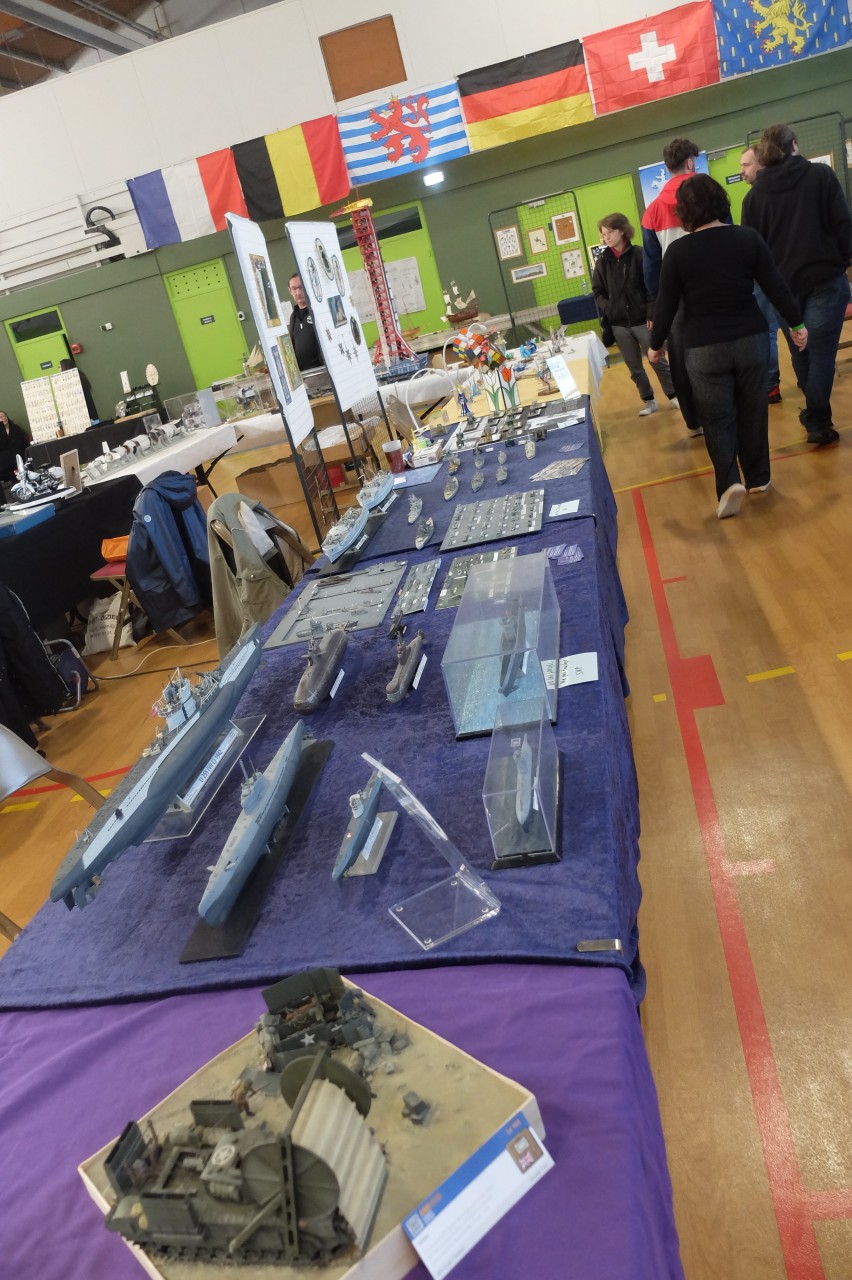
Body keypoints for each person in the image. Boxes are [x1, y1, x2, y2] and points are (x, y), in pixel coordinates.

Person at [648, 175, 807, 519]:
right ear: (721, 201)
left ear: (685, 212)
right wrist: (797, 324)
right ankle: (759, 478)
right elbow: (775, 285)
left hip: (703, 347)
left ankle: (729, 483)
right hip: (750, 338)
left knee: (716, 418)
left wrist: (656, 345)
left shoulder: (678, 252)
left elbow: (666, 305)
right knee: (753, 410)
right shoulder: (747, 238)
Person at [742, 123, 852, 446]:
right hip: (825, 280)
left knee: (802, 353)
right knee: (821, 354)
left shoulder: (753, 198)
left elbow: (752, 251)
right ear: (794, 146)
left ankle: (817, 418)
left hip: (782, 291)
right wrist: (844, 261)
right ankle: (817, 419)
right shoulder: (821, 176)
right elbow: (843, 223)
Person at [641, 137, 705, 437]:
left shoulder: (652, 211)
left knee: (680, 359)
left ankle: (693, 421)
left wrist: (660, 301)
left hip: (676, 298)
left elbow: (651, 267)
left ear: (667, 168)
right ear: (690, 162)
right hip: (715, 288)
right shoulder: (710, 196)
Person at [592, 213, 679, 417]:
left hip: (643, 321)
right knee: (634, 366)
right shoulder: (603, 261)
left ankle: (674, 395)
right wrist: (610, 307)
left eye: (610, 232)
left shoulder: (640, 254)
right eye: (603, 234)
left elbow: (650, 287)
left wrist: (651, 314)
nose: (606, 237)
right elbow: (598, 291)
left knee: (658, 360)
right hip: (619, 324)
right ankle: (648, 400)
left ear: (622, 230)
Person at [740, 147, 782, 404]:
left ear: (761, 164)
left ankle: (771, 387)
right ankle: (809, 378)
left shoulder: (751, 200)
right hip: (785, 273)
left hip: (766, 277)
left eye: (746, 165)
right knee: (799, 327)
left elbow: (748, 246)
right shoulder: (788, 191)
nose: (742, 171)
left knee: (768, 332)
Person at [287, 273, 323, 371]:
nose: (298, 292)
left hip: (322, 371)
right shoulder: (293, 317)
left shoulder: (317, 311)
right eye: (294, 288)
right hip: (304, 374)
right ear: (290, 291)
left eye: (301, 287)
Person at [58, 357, 99, 423]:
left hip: (85, 415)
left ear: (65, 368)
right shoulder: (81, 377)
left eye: (60, 367)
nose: (59, 370)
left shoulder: (75, 381)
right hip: (90, 414)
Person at [0, 410, 30, 484]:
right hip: (6, 460)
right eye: (1, 417)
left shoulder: (15, 428)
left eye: (4, 416)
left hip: (18, 455)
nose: (4, 418)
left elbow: (21, 442)